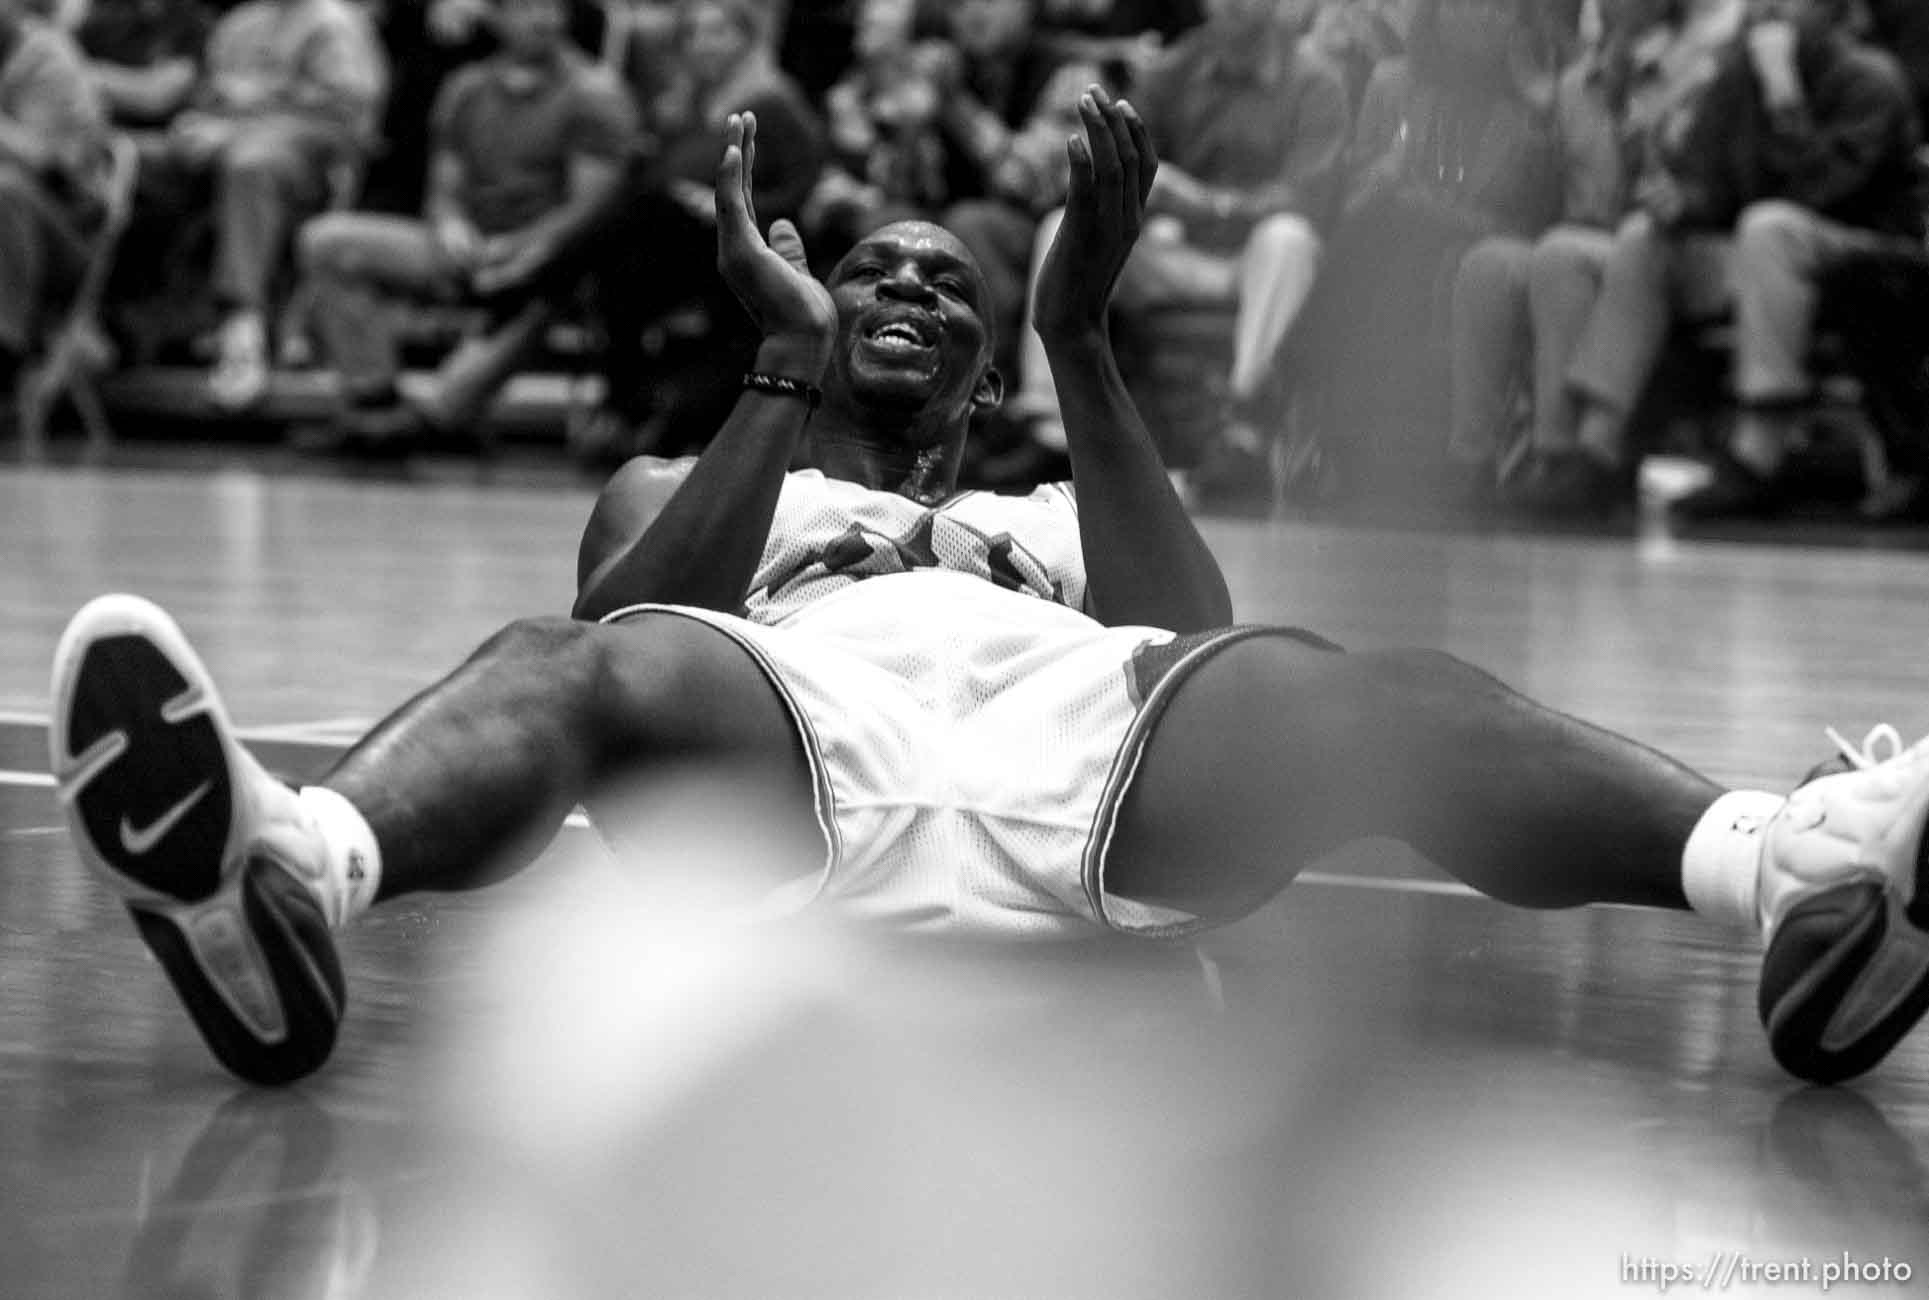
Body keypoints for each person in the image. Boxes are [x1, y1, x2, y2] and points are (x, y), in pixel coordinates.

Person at [48, 92, 1929, 1093]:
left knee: (1371, 693)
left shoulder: (1047, 494)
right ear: (805, 295)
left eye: (950, 287)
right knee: (567, 659)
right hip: (791, 759)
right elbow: (626, 636)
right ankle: (281, 882)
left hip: (1087, 769)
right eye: (872, 268)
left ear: (979, 365)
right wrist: (771, 371)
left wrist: (1080, 336)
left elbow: (1192, 651)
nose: (909, 292)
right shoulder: (722, 465)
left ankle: (1800, 882)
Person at [1553, 0, 1922, 520]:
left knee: (1769, 227)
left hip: (1869, 253)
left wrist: (1784, 96)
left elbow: (1821, 192)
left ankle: (1758, 452)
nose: (1774, 9)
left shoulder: (1871, 79)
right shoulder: (1736, 78)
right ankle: (1599, 449)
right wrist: (1684, 201)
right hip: (1762, 251)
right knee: (1643, 240)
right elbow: (1706, 178)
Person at [295, 0, 632, 448]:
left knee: (550, 278)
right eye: (526, 8)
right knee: (326, 241)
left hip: (545, 259)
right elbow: (444, 187)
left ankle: (445, 414)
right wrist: (450, 225)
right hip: (467, 245)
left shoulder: (594, 92)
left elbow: (591, 207)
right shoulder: (465, 87)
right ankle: (372, 402)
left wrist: (521, 246)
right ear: (494, 17)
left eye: (554, 7)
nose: (543, 18)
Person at [0, 0, 106, 412]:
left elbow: (44, 157)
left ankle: (5, 358)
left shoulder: (46, 58)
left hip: (62, 235)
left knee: (3, 189)